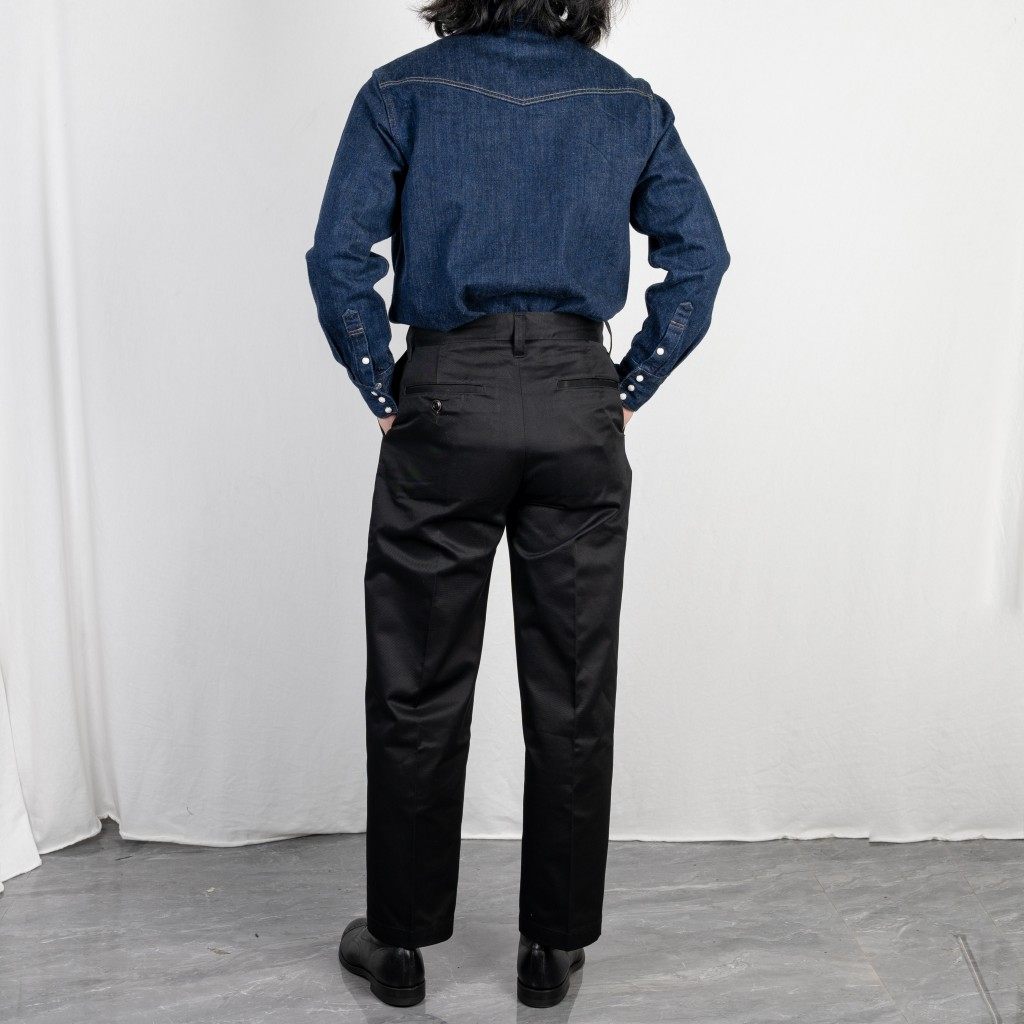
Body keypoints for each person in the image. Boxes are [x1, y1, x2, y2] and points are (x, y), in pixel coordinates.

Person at [304, 0, 729, 1008]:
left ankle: (399, 945)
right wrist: (625, 386)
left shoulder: (403, 92)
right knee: (573, 685)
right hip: (578, 399)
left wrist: (382, 386)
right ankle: (553, 948)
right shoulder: (626, 103)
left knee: (416, 681)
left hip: (446, 400)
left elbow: (338, 257)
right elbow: (700, 258)